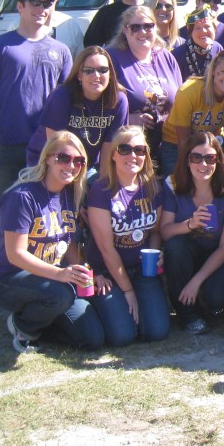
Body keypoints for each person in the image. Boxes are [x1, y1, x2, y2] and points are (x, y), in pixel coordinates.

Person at [0, 0, 73, 306]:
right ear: (20, 6)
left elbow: (67, 102)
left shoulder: (61, 52)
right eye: (35, 2)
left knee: (45, 217)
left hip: (47, 150)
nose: (41, 9)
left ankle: (38, 274)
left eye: (48, 3)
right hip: (8, 145)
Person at [0, 131, 104, 352]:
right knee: (61, 294)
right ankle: (22, 326)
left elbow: (68, 239)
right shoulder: (22, 196)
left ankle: (43, 320)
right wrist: (60, 275)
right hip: (11, 278)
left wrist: (78, 270)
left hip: (51, 279)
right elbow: (16, 254)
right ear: (48, 158)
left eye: (79, 161)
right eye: (64, 158)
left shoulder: (70, 195)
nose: (72, 165)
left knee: (92, 339)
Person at [85, 125, 170, 345]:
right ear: (113, 155)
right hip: (107, 271)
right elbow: (106, 248)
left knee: (156, 332)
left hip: (142, 269)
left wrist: (156, 252)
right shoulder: (101, 189)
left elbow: (156, 231)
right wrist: (128, 290)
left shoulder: (153, 187)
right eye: (125, 149)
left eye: (140, 150)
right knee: (122, 336)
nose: (133, 155)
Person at [159, 132, 224, 335]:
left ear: (218, 161)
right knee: (175, 246)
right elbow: (166, 232)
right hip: (187, 252)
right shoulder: (173, 183)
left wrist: (196, 282)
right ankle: (187, 315)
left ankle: (204, 295)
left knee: (216, 301)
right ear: (187, 160)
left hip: (218, 254)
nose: (203, 164)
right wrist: (190, 224)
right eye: (196, 157)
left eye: (210, 158)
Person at [26, 46, 130, 177]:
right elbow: (54, 146)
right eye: (88, 71)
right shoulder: (62, 96)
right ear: (79, 75)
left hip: (87, 166)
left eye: (103, 70)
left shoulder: (118, 100)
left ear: (110, 74)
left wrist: (102, 187)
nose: (96, 75)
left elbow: (109, 149)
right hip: (46, 162)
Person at [106, 5, 183, 171]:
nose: (142, 32)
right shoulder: (112, 57)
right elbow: (98, 105)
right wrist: (128, 118)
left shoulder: (165, 56)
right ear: (125, 31)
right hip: (128, 150)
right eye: (135, 27)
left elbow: (179, 99)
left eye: (148, 26)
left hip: (166, 147)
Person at [162, 48, 224, 172]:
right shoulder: (189, 91)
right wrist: (187, 171)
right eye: (223, 71)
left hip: (212, 144)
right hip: (176, 145)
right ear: (213, 71)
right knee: (180, 186)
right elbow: (183, 140)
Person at [172, 5, 223, 80]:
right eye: (197, 28)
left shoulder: (218, 49)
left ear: (214, 29)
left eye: (207, 26)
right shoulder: (178, 54)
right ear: (190, 32)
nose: (203, 31)